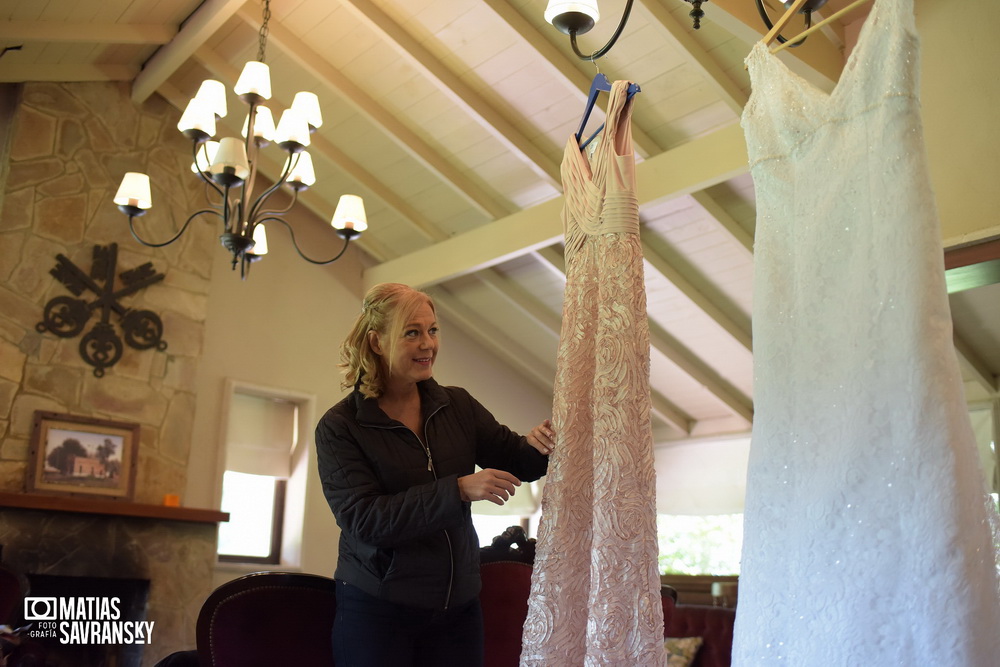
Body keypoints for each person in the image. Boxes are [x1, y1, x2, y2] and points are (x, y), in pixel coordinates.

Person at [315, 282, 554, 666]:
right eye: (412, 333)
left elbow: (517, 458)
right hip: (378, 610)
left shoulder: (456, 405)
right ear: (377, 342)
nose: (428, 344)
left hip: (457, 609)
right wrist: (456, 490)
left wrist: (541, 445)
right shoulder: (340, 426)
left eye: (433, 330)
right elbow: (365, 519)